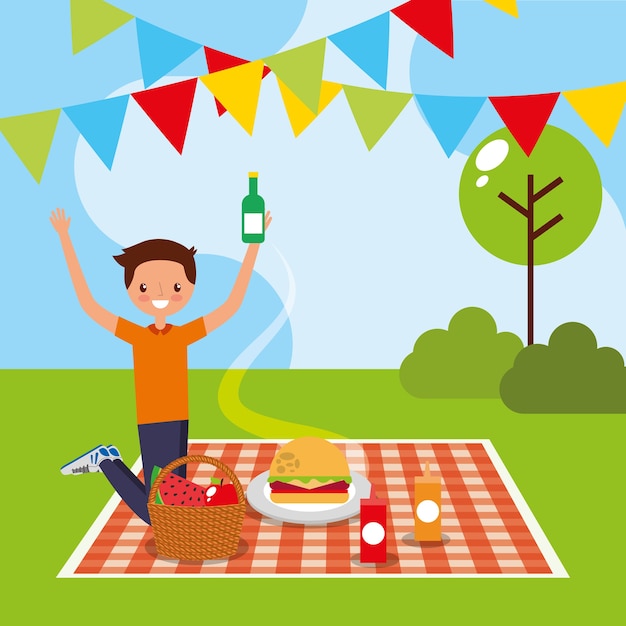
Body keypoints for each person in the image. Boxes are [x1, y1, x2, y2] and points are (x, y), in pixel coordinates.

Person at [50, 207, 271, 524]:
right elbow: (89, 304)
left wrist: (253, 247)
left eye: (176, 287)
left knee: (171, 500)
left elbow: (231, 305)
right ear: (130, 288)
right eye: (145, 287)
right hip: (153, 422)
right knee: (159, 511)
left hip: (179, 420)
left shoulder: (182, 335)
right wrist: (65, 241)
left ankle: (109, 460)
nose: (160, 296)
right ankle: (106, 461)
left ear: (189, 287)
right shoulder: (136, 335)